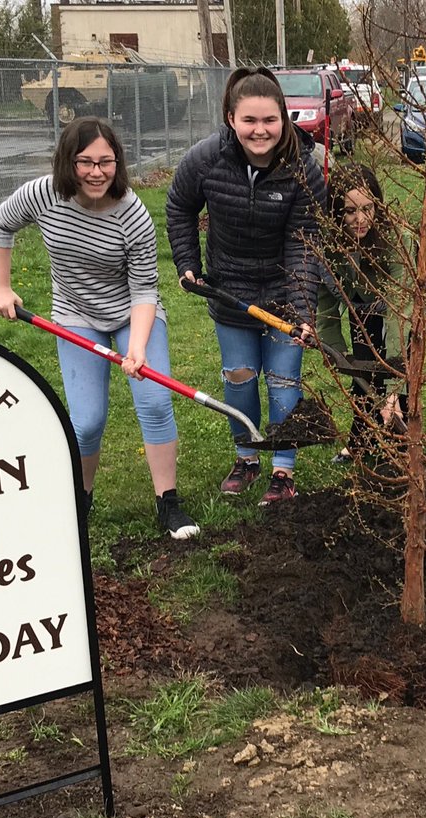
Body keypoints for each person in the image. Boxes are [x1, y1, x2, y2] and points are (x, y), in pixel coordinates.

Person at [0, 116, 200, 540]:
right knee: (86, 422)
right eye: (85, 162)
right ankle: (80, 499)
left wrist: (137, 348)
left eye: (106, 162)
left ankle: (168, 502)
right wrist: (2, 287)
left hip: (131, 314)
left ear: (117, 163)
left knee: (155, 402)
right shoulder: (43, 195)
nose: (96, 172)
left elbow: (144, 291)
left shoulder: (132, 214)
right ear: (68, 162)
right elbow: (1, 224)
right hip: (75, 315)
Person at [166, 67, 326, 505]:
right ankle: (247, 456)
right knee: (238, 379)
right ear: (232, 119)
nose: (260, 130)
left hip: (283, 291)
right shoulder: (206, 159)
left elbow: (304, 246)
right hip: (229, 289)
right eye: (249, 121)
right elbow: (179, 205)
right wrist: (188, 263)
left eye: (269, 120)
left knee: (282, 380)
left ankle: (282, 470)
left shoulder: (303, 171)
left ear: (284, 119)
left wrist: (302, 312)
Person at [318, 163, 407, 462]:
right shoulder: (329, 243)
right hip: (364, 304)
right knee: (363, 368)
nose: (361, 219)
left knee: (394, 367)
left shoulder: (395, 240)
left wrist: (394, 389)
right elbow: (326, 306)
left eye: (368, 208)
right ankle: (363, 439)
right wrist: (339, 357)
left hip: (408, 304)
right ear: (336, 211)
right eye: (350, 211)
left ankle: (400, 444)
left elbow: (398, 318)